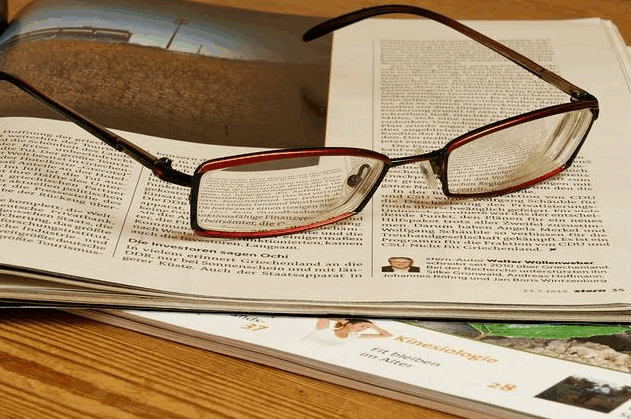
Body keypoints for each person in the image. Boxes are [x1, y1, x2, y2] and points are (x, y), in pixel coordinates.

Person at [302, 318, 392, 345]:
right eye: (361, 326)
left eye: (365, 328)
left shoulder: (353, 335)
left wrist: (374, 327)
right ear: (349, 324)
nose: (362, 329)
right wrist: (343, 321)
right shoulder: (326, 327)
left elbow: (387, 335)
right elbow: (324, 316)